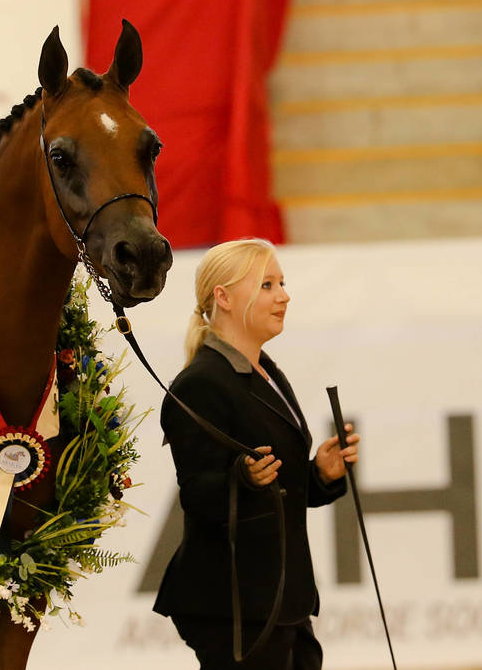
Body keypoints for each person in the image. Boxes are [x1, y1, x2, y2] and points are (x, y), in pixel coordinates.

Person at [153, 238, 360, 669]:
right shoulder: (201, 383)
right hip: (233, 603)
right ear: (223, 298)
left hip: (280, 600)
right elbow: (198, 495)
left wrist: (320, 474)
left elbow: (280, 490)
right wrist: (243, 478)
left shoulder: (267, 372)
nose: (284, 296)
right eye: (267, 285)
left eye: (282, 283)